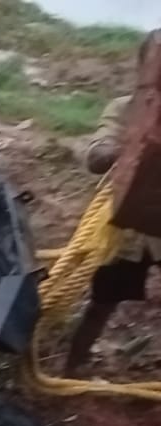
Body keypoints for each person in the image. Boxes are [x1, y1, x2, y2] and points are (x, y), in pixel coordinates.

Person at [64, 31, 161, 377]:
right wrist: (131, 147)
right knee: (102, 301)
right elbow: (95, 155)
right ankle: (74, 366)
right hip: (125, 232)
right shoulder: (124, 108)